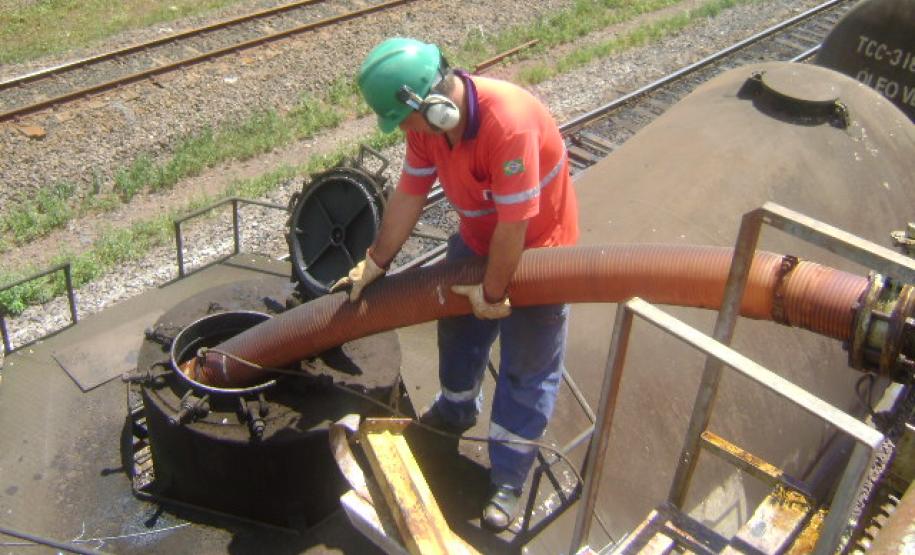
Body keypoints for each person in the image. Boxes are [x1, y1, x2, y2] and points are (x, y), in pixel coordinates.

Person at [335, 37, 579, 531]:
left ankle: (508, 476)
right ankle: (456, 408)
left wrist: (492, 294)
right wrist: (375, 262)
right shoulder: (427, 127)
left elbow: (515, 225)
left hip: (538, 250)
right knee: (459, 334)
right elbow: (409, 192)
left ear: (435, 104)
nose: (403, 130)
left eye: (403, 119)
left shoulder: (507, 122)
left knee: (526, 366)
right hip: (478, 240)